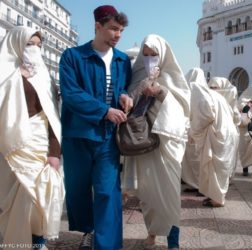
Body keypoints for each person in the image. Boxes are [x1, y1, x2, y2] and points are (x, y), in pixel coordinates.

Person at [59, 5, 132, 250]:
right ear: (97, 26)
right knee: (77, 190)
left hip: (108, 138)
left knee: (106, 191)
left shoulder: (122, 60)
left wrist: (124, 96)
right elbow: (71, 94)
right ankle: (88, 230)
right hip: (77, 135)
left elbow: (123, 87)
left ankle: (107, 245)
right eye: (112, 28)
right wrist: (104, 110)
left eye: (120, 30)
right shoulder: (72, 56)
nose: (117, 34)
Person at [0, 26, 64, 250]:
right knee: (16, 197)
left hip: (39, 143)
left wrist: (55, 152)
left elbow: (54, 115)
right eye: (29, 44)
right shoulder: (4, 73)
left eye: (39, 45)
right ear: (16, 44)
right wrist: (16, 77)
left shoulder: (45, 76)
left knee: (41, 194)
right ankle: (15, 243)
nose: (35, 49)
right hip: (10, 145)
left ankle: (38, 240)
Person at [127, 34, 190, 250]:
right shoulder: (137, 74)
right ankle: (152, 233)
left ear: (162, 55)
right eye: (145, 55)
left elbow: (183, 108)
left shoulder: (174, 77)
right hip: (143, 142)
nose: (149, 58)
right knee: (148, 194)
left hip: (167, 144)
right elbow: (128, 101)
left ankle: (173, 241)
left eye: (153, 54)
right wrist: (143, 87)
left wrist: (160, 91)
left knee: (170, 193)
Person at [190, 76, 239, 207]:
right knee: (217, 168)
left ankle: (218, 199)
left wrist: (193, 131)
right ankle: (216, 196)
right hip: (225, 134)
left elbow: (205, 116)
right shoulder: (217, 97)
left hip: (220, 135)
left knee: (217, 168)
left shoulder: (200, 96)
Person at [208, 77, 241, 178]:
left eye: (215, 88)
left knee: (227, 158)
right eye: (211, 88)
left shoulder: (230, 104)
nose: (213, 90)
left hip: (228, 135)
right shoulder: (209, 101)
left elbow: (237, 119)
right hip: (213, 134)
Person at [181, 67, 208, 192]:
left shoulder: (185, 92)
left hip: (190, 129)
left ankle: (196, 183)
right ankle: (195, 183)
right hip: (198, 130)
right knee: (196, 158)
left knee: (191, 158)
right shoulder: (205, 94)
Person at [237, 83, 252, 176]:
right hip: (243, 129)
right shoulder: (242, 99)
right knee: (244, 149)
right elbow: (244, 110)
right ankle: (245, 168)